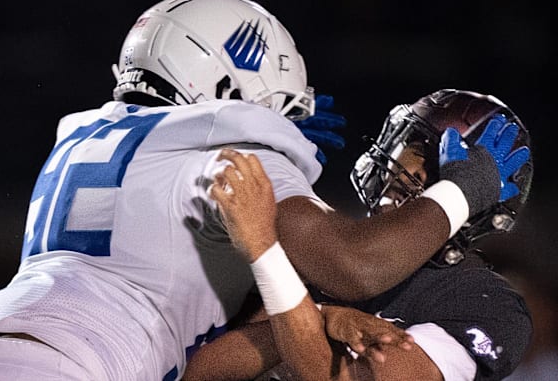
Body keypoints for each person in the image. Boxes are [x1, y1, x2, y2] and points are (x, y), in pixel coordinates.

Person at [0, 0, 527, 380]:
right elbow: (356, 265)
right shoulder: (235, 152)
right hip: (74, 363)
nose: (284, 122)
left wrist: (313, 313)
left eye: (430, 166)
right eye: (276, 106)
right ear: (232, 90)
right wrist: (463, 187)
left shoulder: (86, 135)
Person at [184, 89, 533, 380]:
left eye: (445, 171)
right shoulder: (326, 244)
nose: (418, 175)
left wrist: (266, 253)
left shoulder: (486, 304)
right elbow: (201, 371)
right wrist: (323, 318)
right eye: (418, 152)